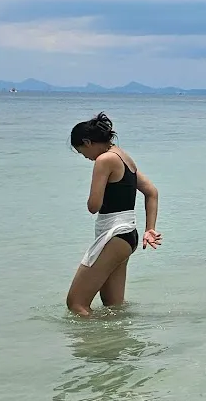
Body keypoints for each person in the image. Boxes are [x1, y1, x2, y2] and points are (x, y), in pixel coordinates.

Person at [66, 113, 160, 317]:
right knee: (114, 307)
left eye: (82, 152)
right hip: (128, 236)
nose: (87, 158)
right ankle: (116, 345)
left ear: (88, 142)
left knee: (76, 304)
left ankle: (94, 348)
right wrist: (150, 229)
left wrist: (93, 190)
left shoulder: (105, 160)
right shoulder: (124, 157)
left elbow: (94, 206)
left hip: (114, 236)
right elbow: (152, 192)